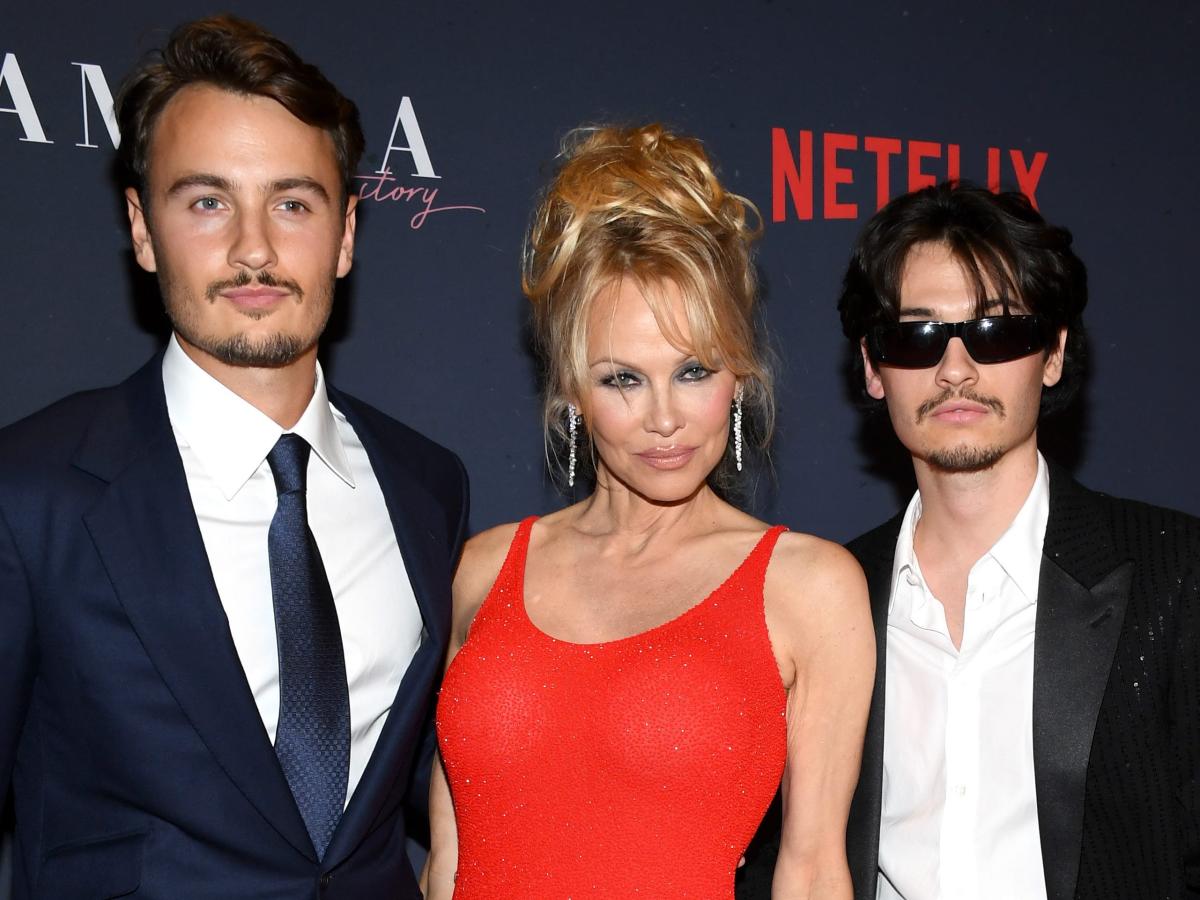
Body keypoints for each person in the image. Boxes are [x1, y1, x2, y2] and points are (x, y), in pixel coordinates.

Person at [0, 15, 467, 899]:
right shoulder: (31, 492)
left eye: (293, 202)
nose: (254, 248)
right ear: (142, 230)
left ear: (347, 233)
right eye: (207, 201)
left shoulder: (425, 486)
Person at [421, 123, 873, 899]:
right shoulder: (483, 570)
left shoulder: (809, 587)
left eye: (693, 371)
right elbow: (447, 865)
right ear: (569, 392)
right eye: (622, 380)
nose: (664, 418)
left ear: (740, 376)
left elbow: (811, 870)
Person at [835, 182, 1197, 899]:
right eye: (917, 336)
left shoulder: (1177, 577)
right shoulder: (826, 594)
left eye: (998, 331)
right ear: (874, 368)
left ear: (1054, 354)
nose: (958, 369)